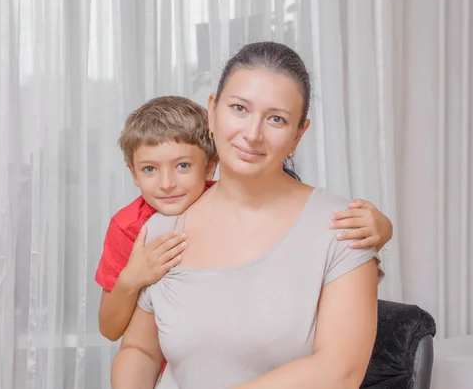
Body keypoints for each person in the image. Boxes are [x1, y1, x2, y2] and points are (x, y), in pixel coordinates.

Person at [111, 42, 385, 389]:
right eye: (239, 108)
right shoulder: (162, 228)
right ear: (212, 111)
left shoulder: (345, 228)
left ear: (298, 134)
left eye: (276, 119)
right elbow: (140, 349)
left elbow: (339, 371)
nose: (253, 134)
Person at [96, 96, 393, 342]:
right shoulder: (127, 227)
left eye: (183, 165)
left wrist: (383, 229)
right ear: (133, 173)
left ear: (211, 166)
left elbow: (301, 238)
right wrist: (131, 279)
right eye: (149, 169)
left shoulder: (231, 202)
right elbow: (110, 330)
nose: (166, 183)